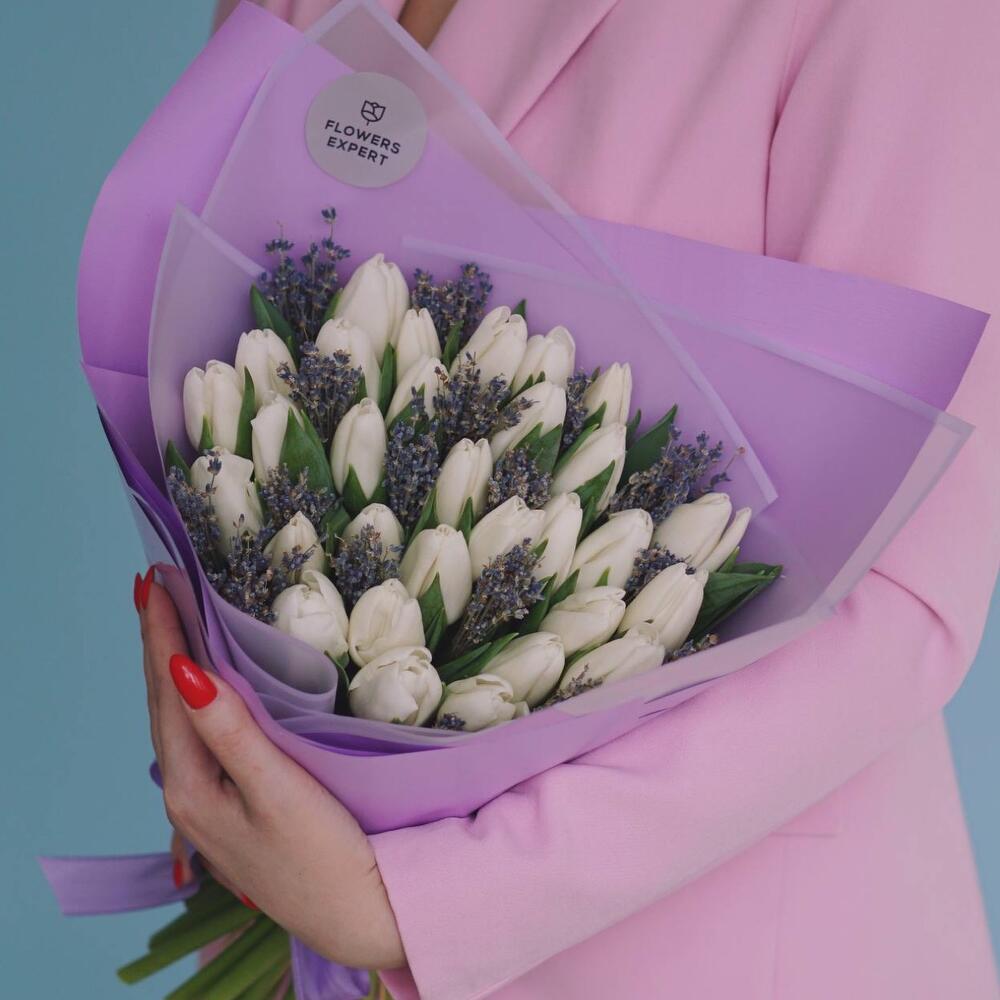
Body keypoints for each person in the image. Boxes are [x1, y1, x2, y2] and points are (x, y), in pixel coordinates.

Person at [140, 0, 1000, 996]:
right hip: (284, 907)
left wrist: (425, 899)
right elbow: (233, 344)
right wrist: (234, 729)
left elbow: (900, 589)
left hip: (691, 952)